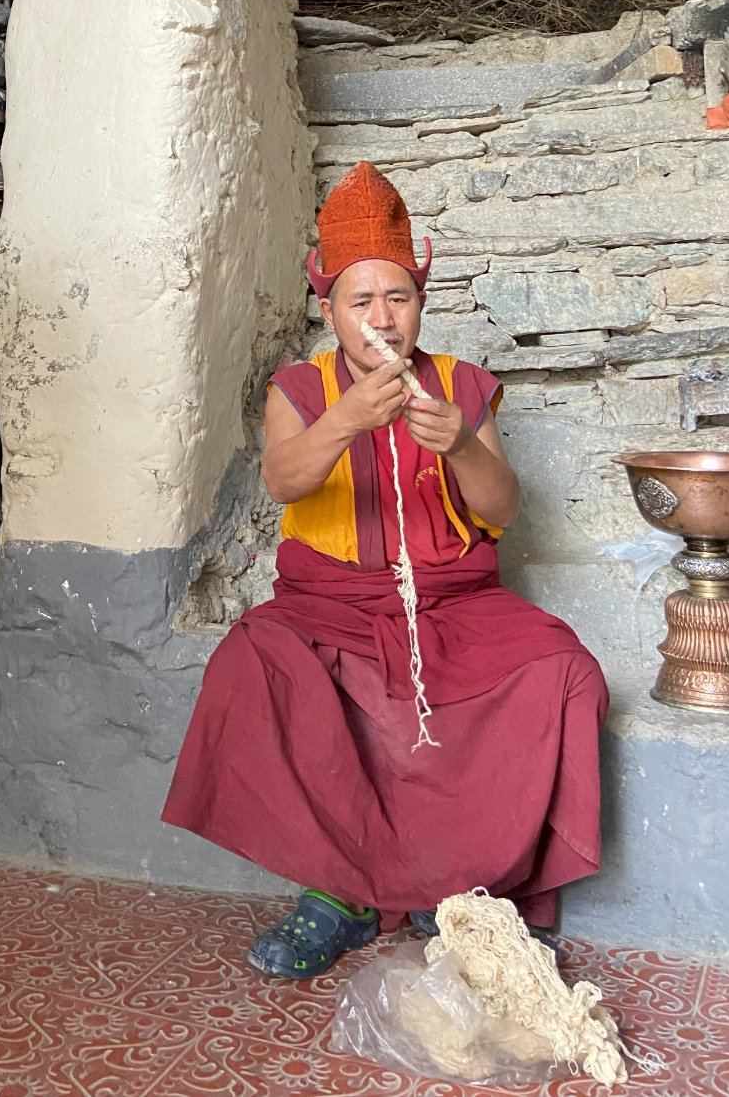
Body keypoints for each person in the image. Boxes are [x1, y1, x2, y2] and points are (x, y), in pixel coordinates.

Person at [162, 161, 609, 979]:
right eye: (359, 301)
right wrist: (342, 420)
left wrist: (462, 444)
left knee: (564, 670)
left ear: (421, 302)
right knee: (250, 666)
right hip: (330, 604)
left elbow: (503, 509)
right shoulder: (300, 388)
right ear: (328, 308)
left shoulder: (460, 387)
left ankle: (489, 899)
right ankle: (337, 895)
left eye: (396, 297)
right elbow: (283, 479)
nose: (380, 318)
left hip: (453, 602)